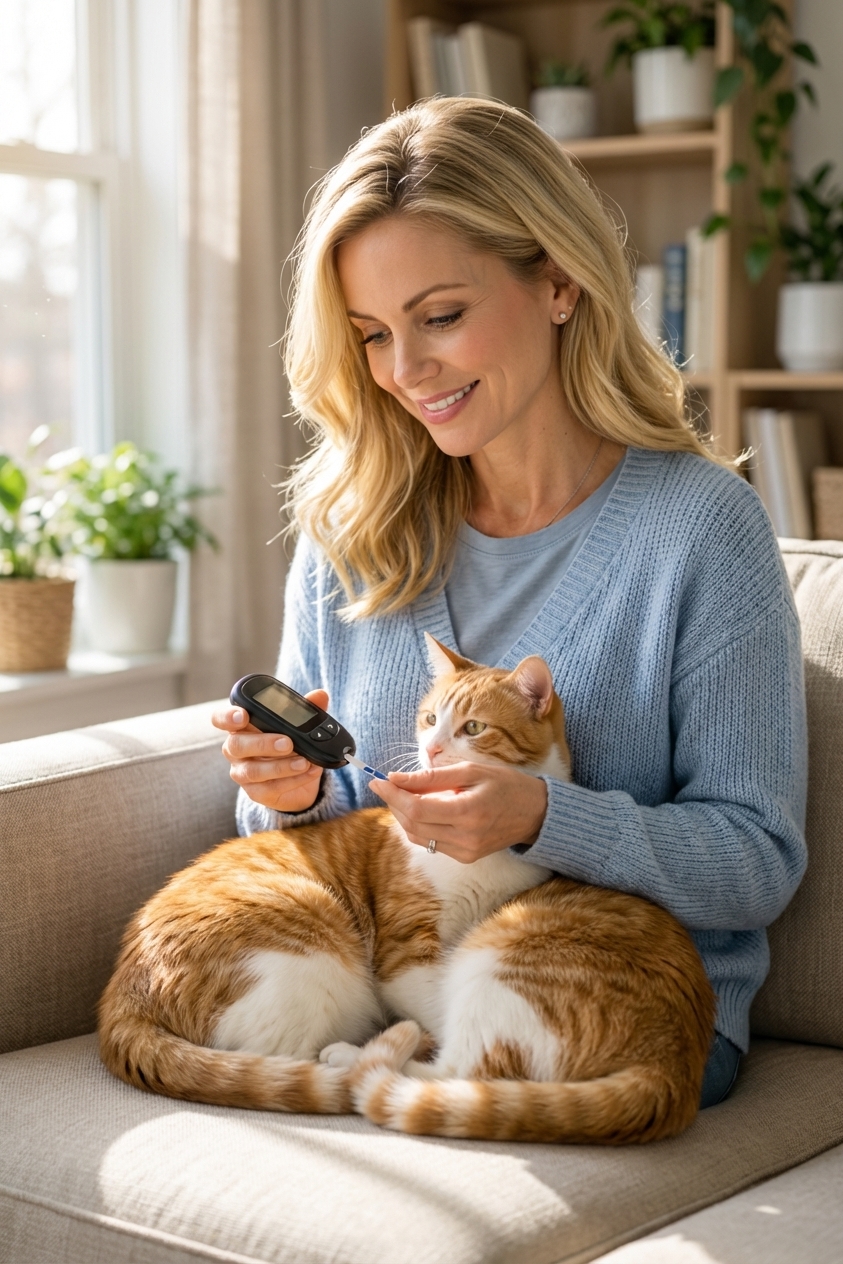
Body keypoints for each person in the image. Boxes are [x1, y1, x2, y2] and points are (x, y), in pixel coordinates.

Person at [212, 97, 807, 1109]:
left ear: (561, 282)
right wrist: (291, 796)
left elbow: (755, 862)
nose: (406, 371)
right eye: (371, 335)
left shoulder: (703, 530)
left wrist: (545, 816)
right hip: (386, 999)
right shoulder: (349, 534)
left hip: (620, 1018)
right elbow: (325, 850)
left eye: (441, 316)